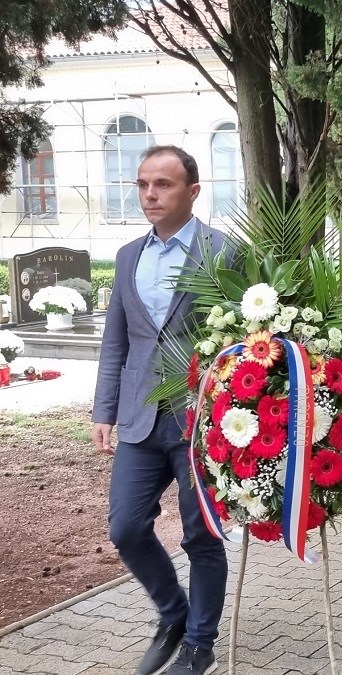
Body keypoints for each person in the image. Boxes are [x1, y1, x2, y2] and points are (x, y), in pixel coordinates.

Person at [91, 145, 229, 675]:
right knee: (125, 526)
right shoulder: (128, 256)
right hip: (139, 418)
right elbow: (116, 341)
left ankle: (200, 643)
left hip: (203, 420)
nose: (151, 193)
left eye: (163, 184)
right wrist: (104, 410)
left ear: (192, 192)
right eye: (144, 184)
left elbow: (249, 340)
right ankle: (173, 613)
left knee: (202, 535)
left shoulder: (224, 252)